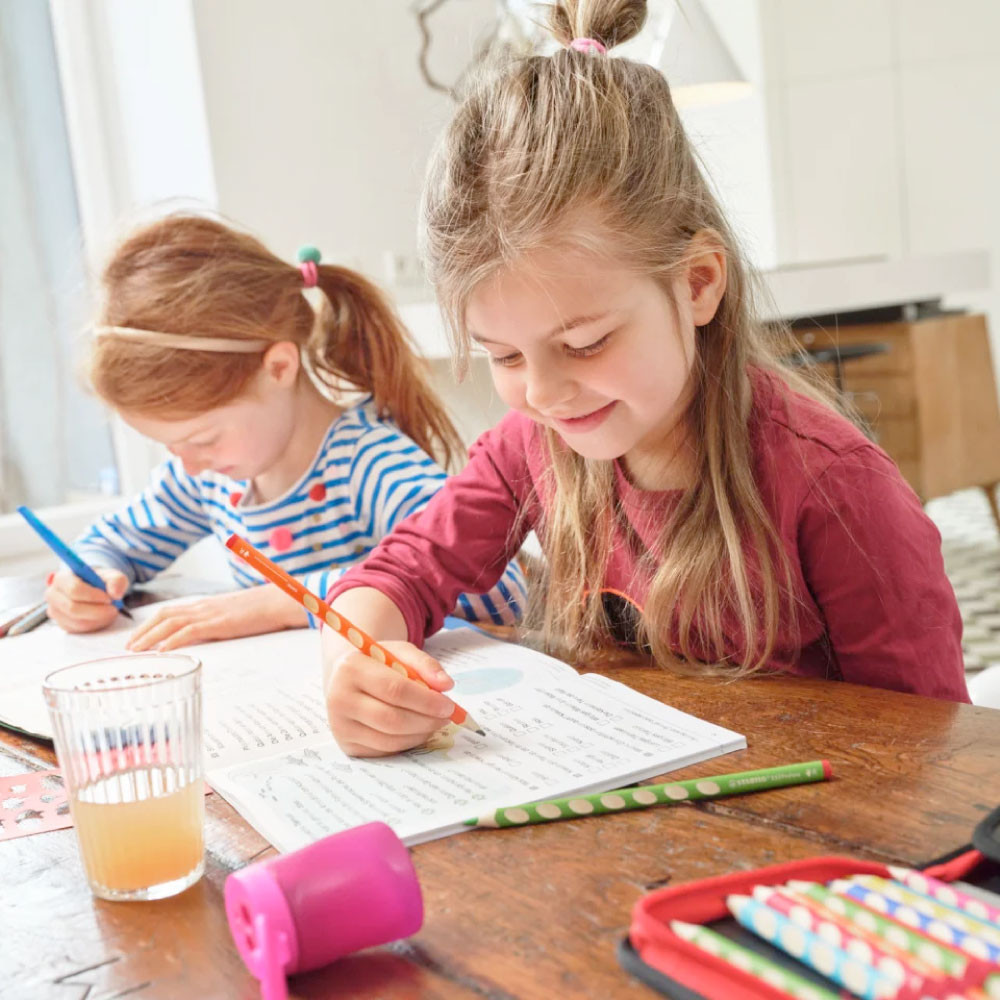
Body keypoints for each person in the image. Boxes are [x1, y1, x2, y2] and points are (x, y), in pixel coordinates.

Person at [320, 0, 969, 756]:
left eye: (586, 342)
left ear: (696, 284)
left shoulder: (835, 488)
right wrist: (355, 663)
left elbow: (933, 754)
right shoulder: (527, 447)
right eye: (503, 357)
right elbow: (398, 573)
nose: (545, 393)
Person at [45, 214, 525, 649]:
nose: (185, 463)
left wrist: (280, 603)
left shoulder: (368, 464)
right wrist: (86, 578)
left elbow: (500, 594)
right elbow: (114, 540)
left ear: (279, 367)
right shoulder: (207, 477)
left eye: (203, 438)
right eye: (170, 446)